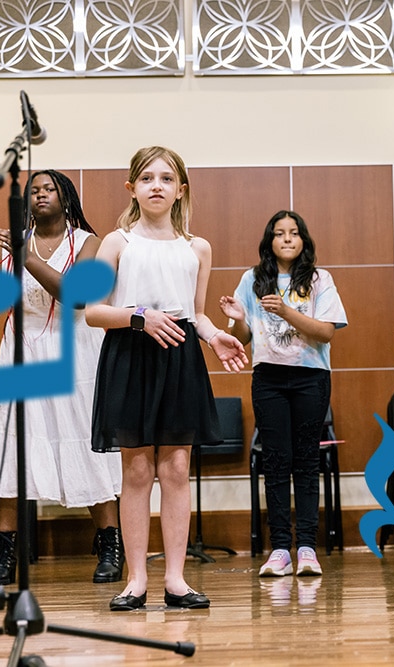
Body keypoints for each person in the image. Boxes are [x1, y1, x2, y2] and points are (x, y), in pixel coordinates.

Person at [85, 147, 247, 612]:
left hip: (179, 356)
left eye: (167, 178)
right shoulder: (117, 243)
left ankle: (175, 579)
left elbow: (195, 313)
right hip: (130, 355)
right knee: (136, 470)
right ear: (131, 187)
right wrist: (139, 317)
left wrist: (217, 335)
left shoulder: (197, 248)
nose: (157, 185)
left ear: (181, 190)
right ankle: (136, 580)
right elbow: (95, 313)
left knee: (176, 469)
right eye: (147, 178)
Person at [0, 170, 123, 586]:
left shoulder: (89, 243)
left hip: (75, 356)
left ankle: (109, 545)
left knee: (88, 449)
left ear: (66, 198)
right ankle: (5, 554)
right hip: (20, 354)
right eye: (33, 191)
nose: (40, 195)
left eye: (49, 189)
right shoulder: (18, 242)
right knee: (14, 449)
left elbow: (78, 296)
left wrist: (25, 254)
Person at [219, 210, 347, 579]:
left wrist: (287, 311)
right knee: (276, 462)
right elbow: (243, 337)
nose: (287, 239)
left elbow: (325, 332)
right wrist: (237, 317)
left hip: (311, 377)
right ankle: (280, 550)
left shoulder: (321, 279)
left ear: (303, 240)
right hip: (269, 378)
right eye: (279, 233)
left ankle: (307, 547)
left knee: (306, 461)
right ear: (269, 241)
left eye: (294, 233)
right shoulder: (253, 278)